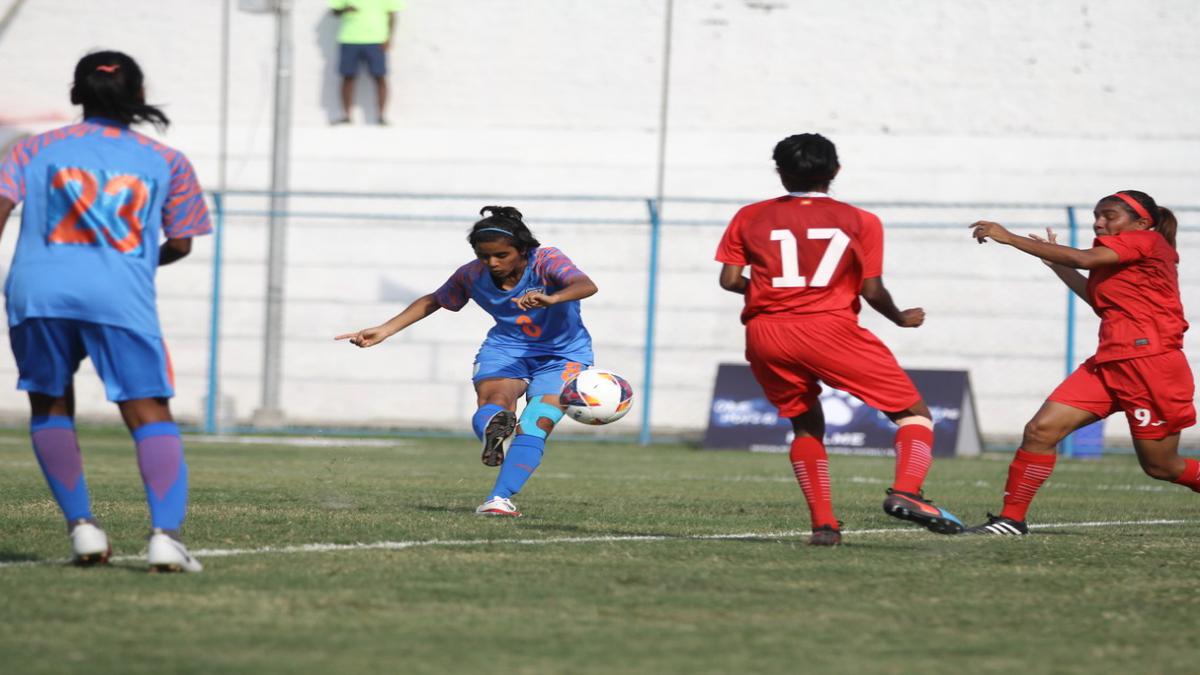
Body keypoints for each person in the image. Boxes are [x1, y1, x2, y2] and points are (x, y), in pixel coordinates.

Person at [0, 51, 212, 571]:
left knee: (50, 404)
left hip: (37, 292)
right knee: (147, 413)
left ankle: (83, 530)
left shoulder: (31, 148)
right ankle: (165, 536)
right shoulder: (167, 160)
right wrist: (140, 261)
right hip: (119, 294)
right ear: (139, 98)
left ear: (77, 94)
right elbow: (182, 242)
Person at [715, 133, 963, 546]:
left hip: (766, 333)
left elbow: (729, 281)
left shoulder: (750, 216)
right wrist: (899, 317)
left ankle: (824, 526)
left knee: (806, 426)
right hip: (829, 328)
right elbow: (872, 290)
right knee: (913, 414)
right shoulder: (860, 220)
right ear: (835, 171)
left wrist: (773, 293)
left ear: (780, 172)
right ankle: (906, 491)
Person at [336, 206, 598, 517]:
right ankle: (494, 430)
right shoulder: (471, 274)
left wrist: (552, 297)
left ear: (522, 249)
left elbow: (586, 285)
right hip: (506, 349)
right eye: (484, 256)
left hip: (563, 354)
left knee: (537, 422)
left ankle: (498, 499)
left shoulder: (546, 259)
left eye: (501, 255)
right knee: (496, 402)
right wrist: (385, 329)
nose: (492, 263)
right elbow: (435, 299)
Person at [967, 191, 1195, 535]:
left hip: (1151, 366)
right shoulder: (1117, 256)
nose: (1099, 222)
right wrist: (1056, 263)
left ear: (1142, 222)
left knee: (1162, 467)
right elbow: (1095, 295)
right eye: (1096, 215)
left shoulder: (1147, 242)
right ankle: (1010, 519)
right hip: (1109, 364)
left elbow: (1083, 259)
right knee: (1040, 431)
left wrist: (1009, 237)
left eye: (1109, 215)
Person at [329, 0, 404, 125]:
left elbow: (392, 15)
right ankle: (346, 116)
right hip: (349, 39)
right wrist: (345, 10)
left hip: (376, 40)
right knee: (348, 77)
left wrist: (389, 38)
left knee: (380, 77)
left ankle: (381, 117)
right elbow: (334, 11)